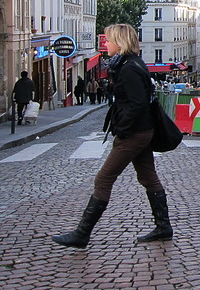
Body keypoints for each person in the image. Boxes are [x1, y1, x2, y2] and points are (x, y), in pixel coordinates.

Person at [52, 23, 173, 249]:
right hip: (142, 131)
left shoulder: (128, 68)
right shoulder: (131, 64)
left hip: (134, 134)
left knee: (104, 179)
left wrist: (124, 130)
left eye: (109, 40)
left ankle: (82, 233)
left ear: (120, 42)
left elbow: (137, 105)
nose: (105, 43)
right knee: (148, 177)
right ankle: (163, 227)